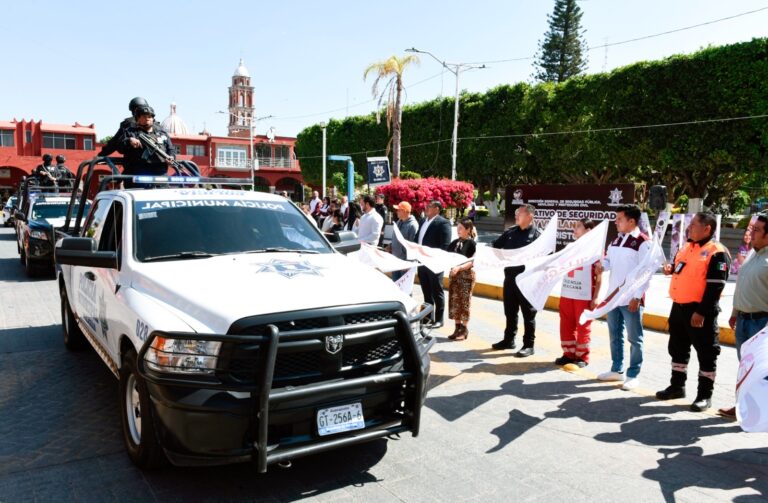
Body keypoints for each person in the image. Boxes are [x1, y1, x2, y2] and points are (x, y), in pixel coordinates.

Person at [655, 212, 730, 412]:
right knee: (678, 349)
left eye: (694, 224)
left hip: (699, 311)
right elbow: (681, 268)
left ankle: (704, 396)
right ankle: (677, 386)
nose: (689, 228)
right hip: (678, 308)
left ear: (707, 228)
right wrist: (671, 268)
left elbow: (715, 287)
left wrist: (702, 312)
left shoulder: (716, 252)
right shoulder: (687, 247)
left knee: (706, 353)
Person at [596, 204, 652, 390]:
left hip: (631, 299)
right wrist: (602, 266)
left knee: (635, 339)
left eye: (619, 219)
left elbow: (647, 272)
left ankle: (633, 374)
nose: (616, 222)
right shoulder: (617, 240)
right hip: (613, 298)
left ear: (631, 221)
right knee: (615, 335)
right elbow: (609, 261)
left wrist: (637, 296)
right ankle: (616, 369)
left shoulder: (643, 242)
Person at [719, 214, 768, 417]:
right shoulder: (750, 254)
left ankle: (760, 413)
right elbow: (742, 285)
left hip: (762, 322)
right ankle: (742, 407)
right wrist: (734, 312)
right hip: (743, 320)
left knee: (762, 371)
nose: (751, 232)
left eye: (756, 230)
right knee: (745, 368)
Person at [491, 204, 541, 357]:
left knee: (528, 314)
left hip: (527, 280)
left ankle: (528, 345)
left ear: (530, 216)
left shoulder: (538, 235)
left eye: (519, 214)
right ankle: (509, 340)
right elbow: (495, 246)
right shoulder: (511, 232)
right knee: (510, 311)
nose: (516, 216)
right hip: (510, 279)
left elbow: (544, 258)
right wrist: (504, 259)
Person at [556, 218, 602, 368]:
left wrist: (595, 297)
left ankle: (582, 356)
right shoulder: (569, 247)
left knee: (583, 326)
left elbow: (599, 276)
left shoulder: (596, 250)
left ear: (588, 231)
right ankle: (568, 354)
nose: (574, 229)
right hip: (567, 293)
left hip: (584, 295)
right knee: (566, 325)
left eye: (578, 227)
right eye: (574, 226)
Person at [417, 200, 452, 328]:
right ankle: (427, 317)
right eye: (426, 205)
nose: (426, 208)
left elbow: (445, 245)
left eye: (429, 206)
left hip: (434, 263)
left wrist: (438, 259)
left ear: (437, 209)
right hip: (421, 262)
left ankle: (439, 319)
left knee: (437, 291)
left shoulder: (443, 223)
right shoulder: (422, 221)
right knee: (426, 291)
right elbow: (418, 239)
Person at [120, 105, 175, 185]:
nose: (147, 118)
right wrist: (129, 141)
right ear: (137, 119)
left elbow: (171, 149)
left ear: (153, 118)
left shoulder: (162, 134)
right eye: (144, 116)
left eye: (150, 116)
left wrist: (171, 157)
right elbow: (120, 146)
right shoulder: (130, 132)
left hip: (160, 176)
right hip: (138, 177)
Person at [447, 218, 477, 341]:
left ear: (468, 229)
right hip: (454, 276)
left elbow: (472, 261)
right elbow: (446, 255)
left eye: (461, 228)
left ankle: (464, 329)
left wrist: (459, 267)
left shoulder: (471, 244)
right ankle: (457, 327)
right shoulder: (454, 243)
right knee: (454, 302)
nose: (458, 230)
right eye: (457, 227)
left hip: (466, 277)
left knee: (464, 303)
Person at [391, 201, 419, 282]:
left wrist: (409, 263)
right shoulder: (399, 222)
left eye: (398, 210)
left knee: (405, 289)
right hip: (396, 260)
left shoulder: (413, 225)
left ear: (404, 211)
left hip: (405, 263)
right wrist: (390, 245)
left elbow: (413, 245)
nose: (397, 212)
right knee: (397, 286)